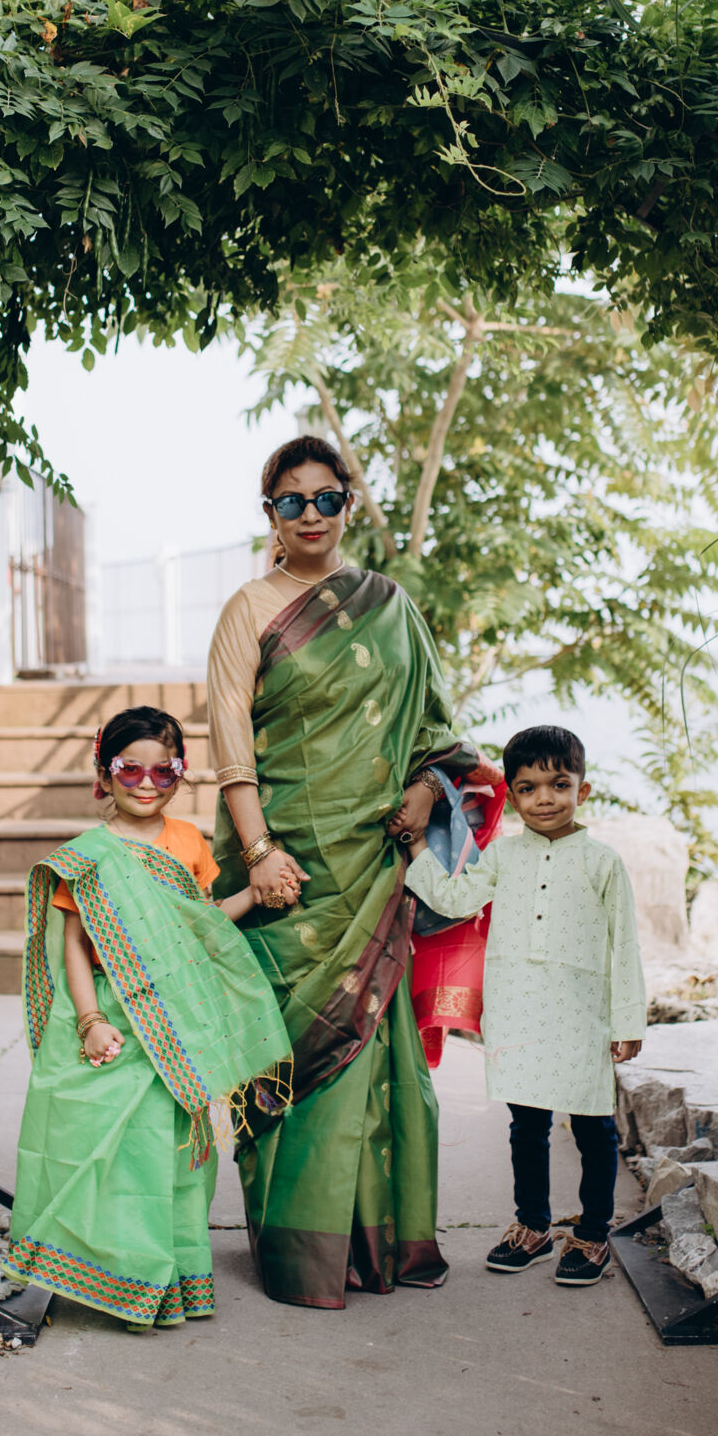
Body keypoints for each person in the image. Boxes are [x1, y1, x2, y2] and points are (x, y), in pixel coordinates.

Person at [207, 434, 501, 1309]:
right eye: (291, 501)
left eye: (326, 498)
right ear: (270, 514)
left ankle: (380, 1244)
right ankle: (304, 1252)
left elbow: (436, 728)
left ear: (349, 504)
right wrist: (259, 853)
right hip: (287, 868)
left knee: (375, 1051)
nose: (311, 515)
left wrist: (425, 789)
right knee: (289, 1052)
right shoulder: (248, 609)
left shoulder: (390, 606)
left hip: (373, 859)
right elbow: (231, 743)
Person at [5, 705, 291, 1330]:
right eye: (129, 769)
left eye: (164, 772)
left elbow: (202, 924)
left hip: (175, 1020)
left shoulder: (188, 842)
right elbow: (74, 945)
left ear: (180, 777)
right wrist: (89, 1021)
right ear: (102, 775)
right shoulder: (87, 856)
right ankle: (80, 1272)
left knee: (164, 1152)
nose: (145, 783)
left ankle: (162, 1283)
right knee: (88, 1143)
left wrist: (258, 891)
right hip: (111, 1015)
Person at [404, 724, 646, 1287]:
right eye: (529, 788)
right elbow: (455, 899)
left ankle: (592, 1234)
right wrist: (416, 845)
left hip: (582, 1014)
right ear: (512, 796)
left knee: (594, 1130)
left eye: (559, 785)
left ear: (583, 790)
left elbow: (626, 945)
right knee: (526, 1128)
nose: (545, 799)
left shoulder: (603, 862)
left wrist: (628, 1021)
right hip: (518, 1011)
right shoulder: (503, 856)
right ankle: (533, 1227)